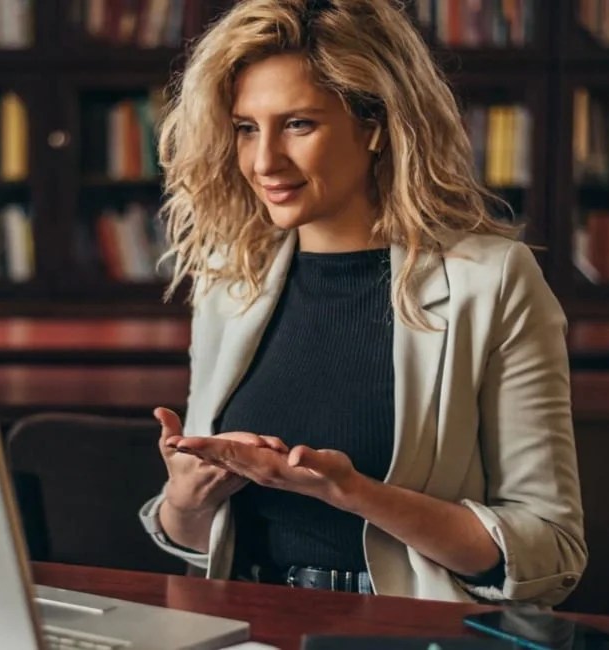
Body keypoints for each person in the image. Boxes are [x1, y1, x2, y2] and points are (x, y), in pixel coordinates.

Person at [137, 0, 586, 607]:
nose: (264, 161)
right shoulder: (228, 280)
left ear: (375, 125)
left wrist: (354, 492)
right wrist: (188, 499)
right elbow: (195, 542)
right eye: (246, 128)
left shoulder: (493, 279)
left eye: (298, 124)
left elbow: (549, 551)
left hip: (404, 631)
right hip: (246, 624)